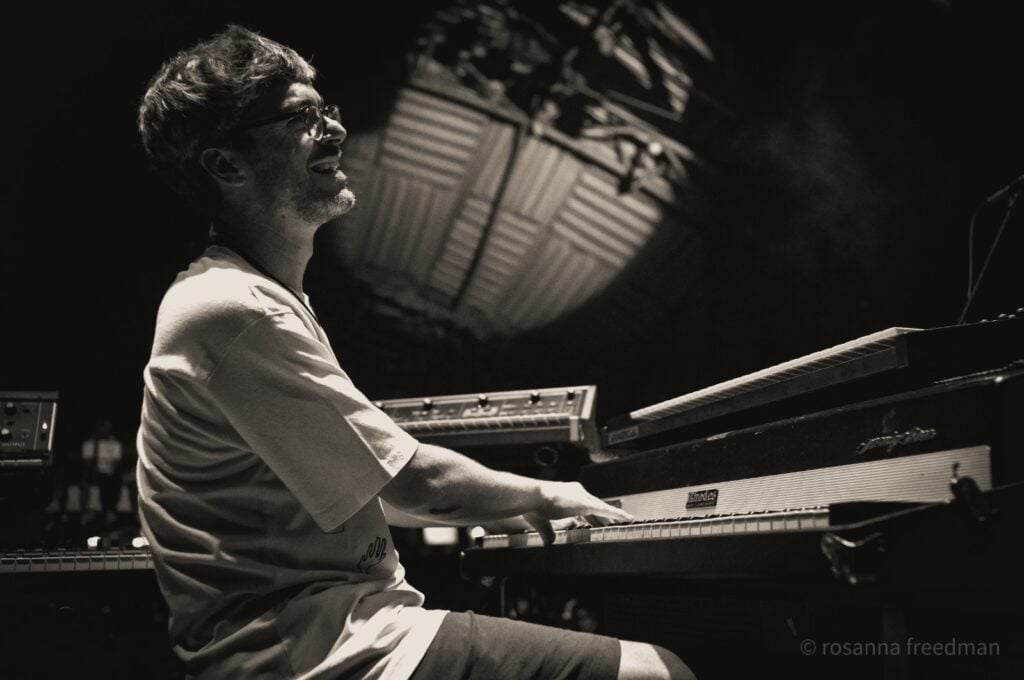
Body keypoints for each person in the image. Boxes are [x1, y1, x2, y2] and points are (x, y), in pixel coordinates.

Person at [136, 25, 695, 680]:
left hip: (327, 626)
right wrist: (551, 494)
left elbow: (370, 490)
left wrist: (513, 505)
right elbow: (415, 483)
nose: (336, 130)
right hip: (311, 647)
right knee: (659, 671)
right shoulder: (235, 313)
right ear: (227, 165)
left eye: (326, 109)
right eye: (302, 117)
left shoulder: (247, 297)